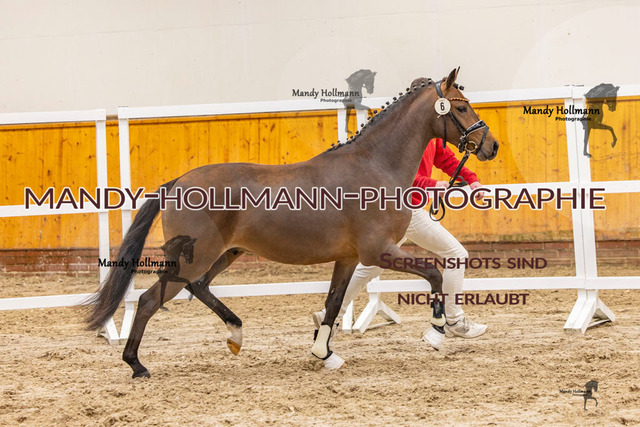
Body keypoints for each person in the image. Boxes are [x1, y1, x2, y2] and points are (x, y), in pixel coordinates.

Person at [313, 137, 487, 350]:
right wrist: (430, 184)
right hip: (406, 209)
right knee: (456, 254)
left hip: (402, 210)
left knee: (370, 266)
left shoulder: (432, 137)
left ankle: (329, 315)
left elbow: (446, 159)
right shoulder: (405, 136)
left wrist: (471, 179)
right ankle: (454, 319)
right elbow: (396, 174)